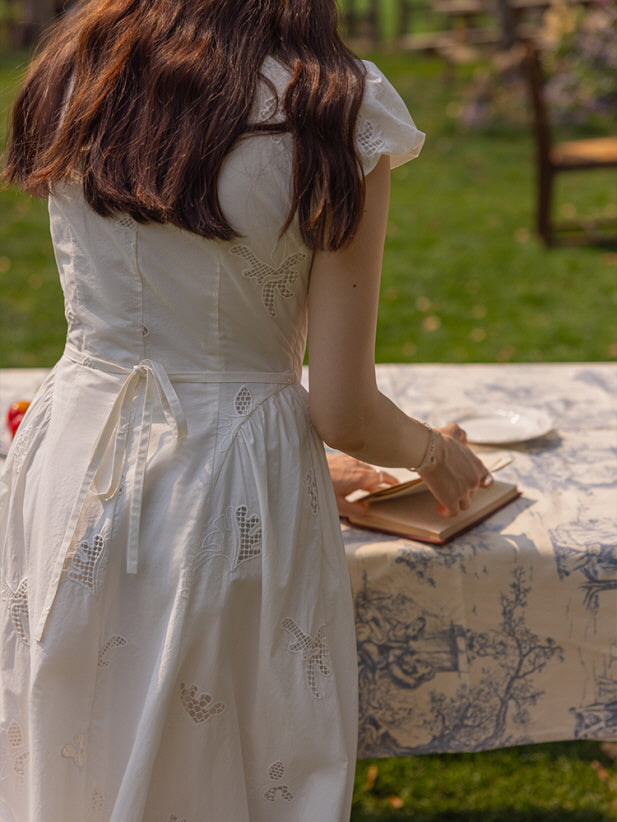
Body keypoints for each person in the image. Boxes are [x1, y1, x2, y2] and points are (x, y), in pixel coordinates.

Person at [0, 0, 487, 819]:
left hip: (75, 455)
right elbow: (344, 407)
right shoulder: (332, 105)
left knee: (69, 749)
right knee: (231, 771)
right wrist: (437, 457)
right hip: (234, 486)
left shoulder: (84, 65)